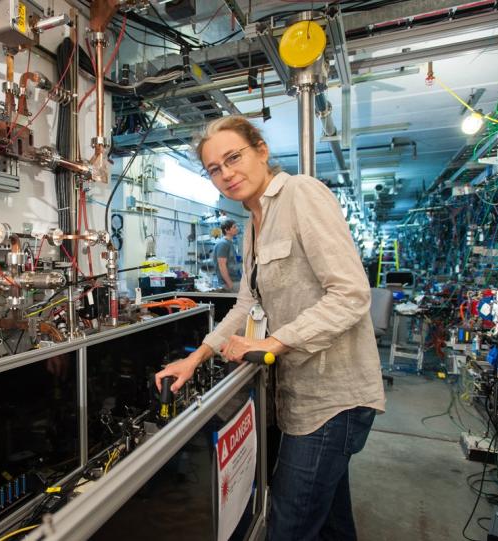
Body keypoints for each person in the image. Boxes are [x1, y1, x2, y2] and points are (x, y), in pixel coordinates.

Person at [155, 115, 386, 541]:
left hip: (333, 398)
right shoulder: (251, 224)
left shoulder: (300, 194)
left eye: (233, 158)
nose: (226, 173)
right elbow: (248, 303)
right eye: (214, 169)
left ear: (261, 150)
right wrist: (196, 358)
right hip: (298, 397)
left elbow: (351, 294)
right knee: (331, 522)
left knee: (289, 526)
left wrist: (275, 342)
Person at [212, 219, 241, 292]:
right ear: (227, 230)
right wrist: (229, 283)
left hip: (235, 280)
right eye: (234, 227)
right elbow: (222, 265)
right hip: (230, 282)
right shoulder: (223, 244)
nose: (237, 228)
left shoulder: (229, 243)